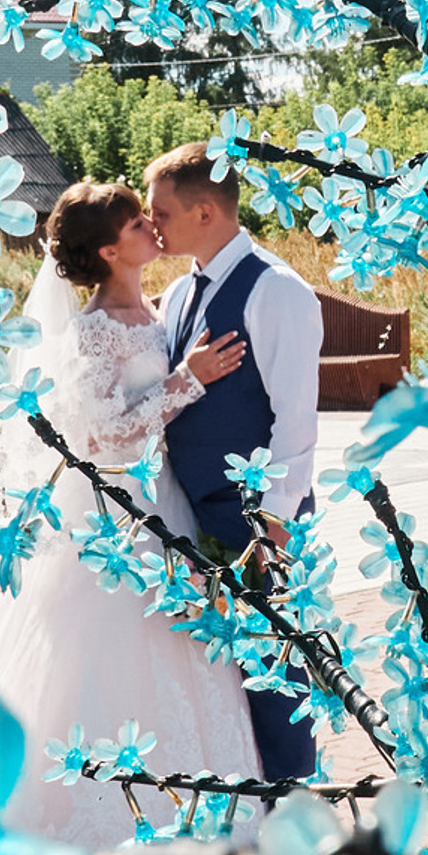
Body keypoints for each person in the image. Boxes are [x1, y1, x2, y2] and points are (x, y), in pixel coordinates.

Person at [0, 180, 263, 852]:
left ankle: (195, 815)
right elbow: (101, 439)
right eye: (135, 222)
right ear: (110, 250)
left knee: (182, 653)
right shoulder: (91, 332)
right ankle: (99, 824)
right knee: (106, 659)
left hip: (165, 501)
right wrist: (189, 378)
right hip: (117, 515)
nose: (152, 225)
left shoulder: (162, 310)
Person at [143, 141, 326, 783]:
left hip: (255, 526)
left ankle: (296, 802)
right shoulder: (175, 296)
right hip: (193, 519)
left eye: (159, 212)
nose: (150, 222)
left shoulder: (276, 291)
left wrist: (273, 525)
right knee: (225, 675)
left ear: (203, 212)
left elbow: (296, 421)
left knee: (274, 671)